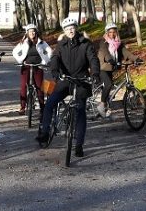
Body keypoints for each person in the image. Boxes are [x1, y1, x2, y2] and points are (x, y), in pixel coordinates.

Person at [35, 17, 100, 157]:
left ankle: (79, 145)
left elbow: (93, 59)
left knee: (81, 111)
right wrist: (55, 71)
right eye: (67, 28)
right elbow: (55, 59)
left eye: (72, 27)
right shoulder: (61, 44)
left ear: (76, 28)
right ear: (64, 31)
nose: (70, 30)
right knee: (50, 103)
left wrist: (95, 74)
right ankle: (45, 132)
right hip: (65, 80)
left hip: (82, 81)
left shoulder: (86, 43)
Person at [96, 22, 142, 118]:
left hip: (111, 67)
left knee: (109, 86)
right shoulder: (103, 42)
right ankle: (102, 105)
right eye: (110, 32)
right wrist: (110, 60)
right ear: (107, 33)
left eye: (114, 32)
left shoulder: (118, 43)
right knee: (108, 84)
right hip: (102, 66)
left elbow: (126, 53)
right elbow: (106, 53)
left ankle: (107, 104)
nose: (112, 34)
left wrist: (136, 59)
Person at [12, 24, 53, 115]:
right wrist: (20, 60)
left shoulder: (41, 42)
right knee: (23, 86)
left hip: (38, 66)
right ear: (27, 33)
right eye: (30, 31)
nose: (32, 33)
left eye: (33, 31)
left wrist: (44, 61)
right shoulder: (24, 42)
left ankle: (42, 108)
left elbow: (50, 51)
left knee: (40, 87)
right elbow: (14, 51)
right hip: (26, 66)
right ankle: (22, 107)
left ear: (36, 32)